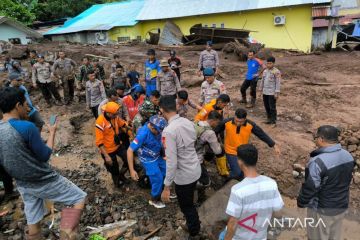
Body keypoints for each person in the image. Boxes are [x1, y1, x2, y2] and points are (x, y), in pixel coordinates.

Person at [0, 87, 86, 240]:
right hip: (44, 179)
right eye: (26, 104)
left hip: (22, 183)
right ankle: (66, 233)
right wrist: (52, 132)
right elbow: (45, 155)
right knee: (79, 198)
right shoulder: (27, 127)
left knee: (33, 220)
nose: (29, 108)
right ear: (17, 105)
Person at [297, 125, 354, 240]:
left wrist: (301, 202)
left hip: (322, 210)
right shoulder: (348, 156)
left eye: (316, 137)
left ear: (321, 139)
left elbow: (310, 188)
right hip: (341, 206)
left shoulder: (317, 162)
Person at [160, 95, 201, 239]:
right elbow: (193, 141)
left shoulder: (169, 131)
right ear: (176, 106)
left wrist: (166, 186)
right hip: (195, 168)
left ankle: (194, 230)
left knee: (186, 206)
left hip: (184, 176)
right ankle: (193, 222)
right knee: (190, 200)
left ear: (162, 110)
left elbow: (172, 162)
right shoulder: (187, 121)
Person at [222, 144, 284, 240]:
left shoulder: (238, 190)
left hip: (240, 238)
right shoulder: (271, 184)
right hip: (261, 237)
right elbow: (278, 213)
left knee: (222, 235)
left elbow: (233, 223)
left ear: (240, 162)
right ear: (256, 160)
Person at [215, 108, 280, 179]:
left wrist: (273, 145)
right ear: (234, 116)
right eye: (236, 121)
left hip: (243, 152)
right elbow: (215, 131)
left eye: (241, 122)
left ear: (245, 119)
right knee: (237, 173)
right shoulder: (226, 122)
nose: (238, 123)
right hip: (230, 151)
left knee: (244, 172)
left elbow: (261, 134)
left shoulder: (250, 125)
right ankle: (228, 177)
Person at [128, 115, 167, 208]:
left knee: (166, 171)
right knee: (157, 178)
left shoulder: (157, 130)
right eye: (158, 131)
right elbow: (129, 150)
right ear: (152, 127)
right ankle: (155, 199)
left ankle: (163, 190)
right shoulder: (143, 134)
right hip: (148, 159)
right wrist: (132, 170)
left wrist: (165, 154)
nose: (159, 133)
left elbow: (162, 140)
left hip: (157, 155)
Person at [195, 111, 228, 205]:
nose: (217, 125)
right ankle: (200, 200)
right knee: (205, 181)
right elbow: (217, 151)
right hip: (196, 158)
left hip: (185, 154)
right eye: (217, 123)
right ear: (214, 120)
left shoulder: (197, 122)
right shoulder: (210, 133)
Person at [95, 102, 130, 187]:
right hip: (108, 150)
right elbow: (99, 142)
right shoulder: (100, 122)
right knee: (114, 169)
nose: (117, 115)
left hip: (118, 145)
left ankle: (121, 175)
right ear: (108, 113)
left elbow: (123, 124)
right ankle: (117, 182)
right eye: (115, 114)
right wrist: (107, 156)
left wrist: (130, 128)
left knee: (129, 160)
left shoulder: (115, 117)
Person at [258, 56, 281, 126]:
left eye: (270, 63)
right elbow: (262, 81)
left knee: (272, 107)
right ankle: (269, 119)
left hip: (272, 93)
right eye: (267, 63)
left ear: (273, 63)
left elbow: (278, 83)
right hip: (265, 92)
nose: (268, 65)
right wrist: (260, 90)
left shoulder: (276, 72)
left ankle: (273, 121)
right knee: (266, 106)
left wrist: (276, 93)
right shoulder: (265, 71)